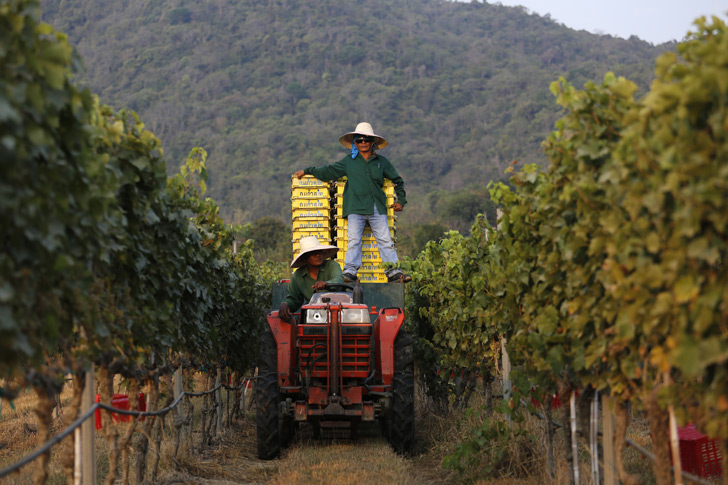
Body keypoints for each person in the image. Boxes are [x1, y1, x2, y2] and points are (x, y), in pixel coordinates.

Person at [294, 122, 411, 283]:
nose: (363, 143)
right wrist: (308, 170)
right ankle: (350, 271)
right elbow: (328, 171)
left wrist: (401, 201)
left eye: (366, 140)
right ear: (354, 143)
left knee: (385, 240)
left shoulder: (381, 162)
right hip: (355, 207)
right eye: (360, 140)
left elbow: (398, 180)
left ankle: (393, 272)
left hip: (377, 207)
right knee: (354, 240)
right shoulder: (349, 162)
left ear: (372, 143)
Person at [278, 236, 344, 322]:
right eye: (313, 253)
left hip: (339, 312)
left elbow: (338, 279)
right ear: (305, 257)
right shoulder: (298, 276)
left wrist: (326, 284)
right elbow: (294, 299)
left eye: (320, 252)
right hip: (315, 316)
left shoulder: (332, 265)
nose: (318, 255)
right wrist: (285, 304)